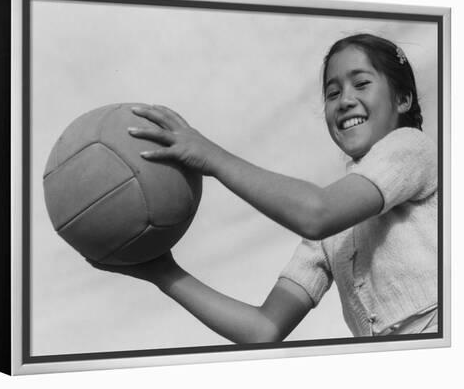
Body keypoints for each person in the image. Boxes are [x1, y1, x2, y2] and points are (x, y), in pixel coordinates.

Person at [89, 33, 438, 342]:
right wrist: (163, 272)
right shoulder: (332, 235)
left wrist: (209, 155)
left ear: (403, 99)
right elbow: (263, 329)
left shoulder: (410, 148)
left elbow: (317, 213)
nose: (344, 99)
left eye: (361, 84)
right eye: (333, 93)